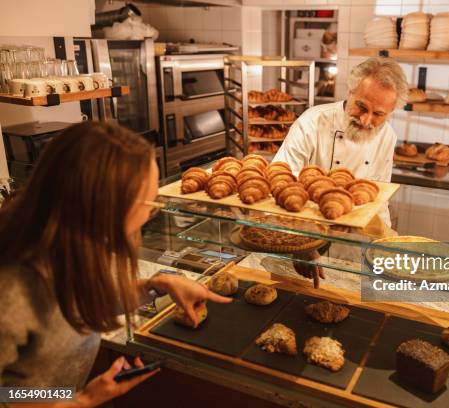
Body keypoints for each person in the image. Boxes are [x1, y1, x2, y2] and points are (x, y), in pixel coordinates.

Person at [0, 122, 231, 407]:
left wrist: (155, 285)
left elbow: (81, 305)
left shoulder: (77, 247)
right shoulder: (13, 292)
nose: (153, 210)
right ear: (105, 206)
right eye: (147, 199)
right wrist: (79, 401)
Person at [273, 57, 408, 287]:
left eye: (379, 114)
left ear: (391, 111)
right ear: (350, 91)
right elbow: (279, 186)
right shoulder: (312, 123)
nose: (366, 121)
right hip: (300, 242)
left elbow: (378, 199)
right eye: (362, 107)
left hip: (351, 249)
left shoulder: (387, 137)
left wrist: (383, 244)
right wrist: (301, 245)